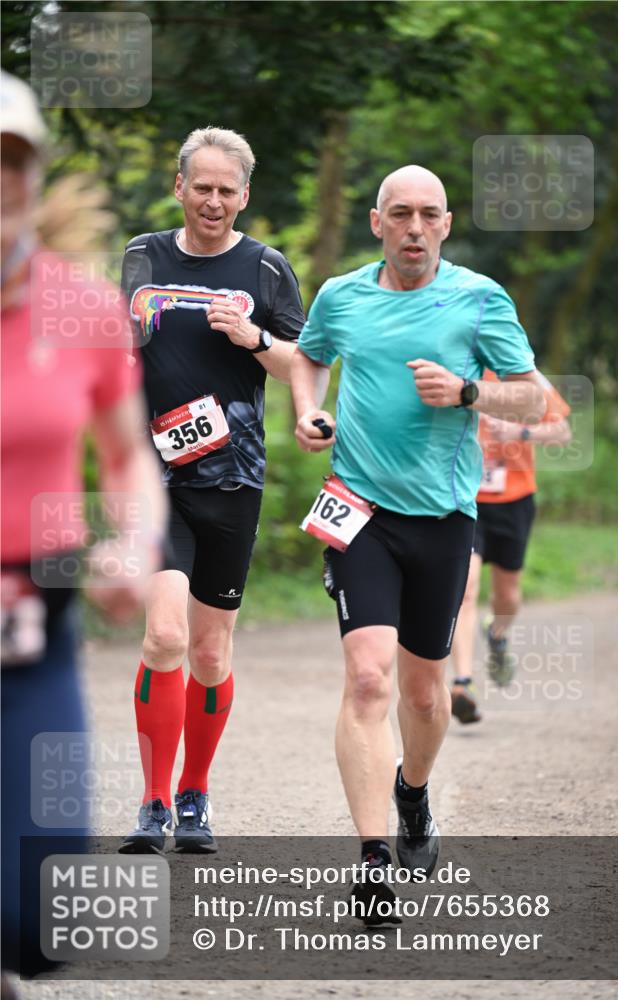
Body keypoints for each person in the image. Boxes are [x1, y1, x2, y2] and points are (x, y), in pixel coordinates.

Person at [290, 164, 545, 922]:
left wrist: (468, 392)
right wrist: (308, 410)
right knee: (369, 679)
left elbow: (533, 397)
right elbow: (309, 354)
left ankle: (413, 791)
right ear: (377, 222)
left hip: (443, 518)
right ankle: (373, 864)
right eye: (399, 213)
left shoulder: (479, 298)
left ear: (446, 224)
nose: (413, 227)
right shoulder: (342, 296)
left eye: (428, 214)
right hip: (358, 510)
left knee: (425, 693)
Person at [1, 71, 165, 990]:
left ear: (34, 175)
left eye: (10, 160)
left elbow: (128, 454)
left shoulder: (82, 308)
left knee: (39, 927)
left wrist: (132, 545)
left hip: (35, 622)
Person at [119, 127, 304, 854]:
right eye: (202, 187)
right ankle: (153, 801)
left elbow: (306, 364)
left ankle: (195, 792)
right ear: (179, 187)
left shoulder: (265, 268)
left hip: (232, 480)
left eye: (227, 190)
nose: (213, 201)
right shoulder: (142, 255)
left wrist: (255, 339)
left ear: (244, 195)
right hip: (154, 477)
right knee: (164, 636)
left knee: (209, 652)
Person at [449, 370, 572, 723]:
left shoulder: (524, 374)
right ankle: (462, 683)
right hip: (466, 498)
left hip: (514, 501)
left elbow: (562, 432)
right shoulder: (457, 367)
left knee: (508, 597)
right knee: (465, 589)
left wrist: (520, 432)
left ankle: (497, 634)